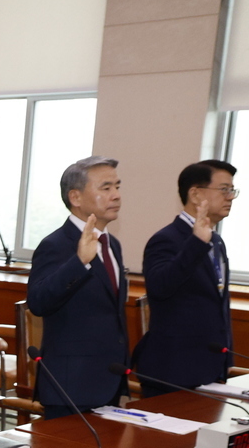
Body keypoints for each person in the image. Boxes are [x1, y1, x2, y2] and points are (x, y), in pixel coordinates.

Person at [28, 156, 129, 418]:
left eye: (117, 186)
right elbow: (38, 302)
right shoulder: (56, 244)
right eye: (106, 188)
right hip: (70, 386)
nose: (116, 195)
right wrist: (80, 262)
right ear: (75, 197)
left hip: (110, 381)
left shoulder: (112, 244)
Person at [135, 159, 237, 395]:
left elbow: (217, 300)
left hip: (210, 367)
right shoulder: (167, 239)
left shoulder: (216, 240)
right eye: (224, 189)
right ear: (194, 193)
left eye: (232, 190)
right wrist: (197, 243)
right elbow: (159, 287)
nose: (230, 197)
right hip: (174, 370)